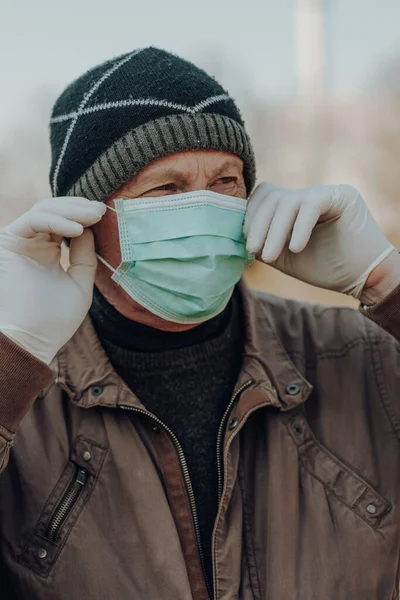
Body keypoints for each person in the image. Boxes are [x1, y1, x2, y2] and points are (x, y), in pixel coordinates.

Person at [0, 47, 399, 600]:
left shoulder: (357, 354)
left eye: (227, 180)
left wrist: (386, 283)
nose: (206, 207)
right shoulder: (27, 395)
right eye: (165, 189)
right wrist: (10, 360)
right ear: (82, 216)